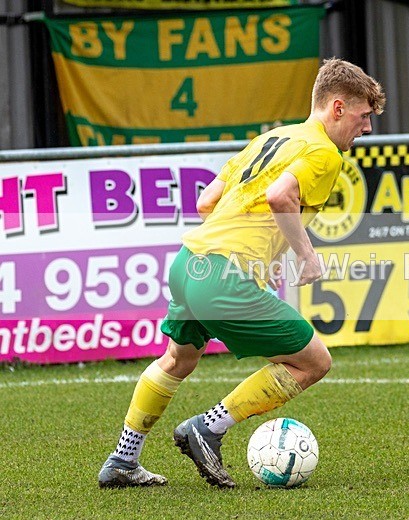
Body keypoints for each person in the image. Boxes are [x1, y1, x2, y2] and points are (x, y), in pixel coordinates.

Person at [98, 58, 385, 488]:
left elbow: (207, 202)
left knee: (178, 359)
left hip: (188, 262)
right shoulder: (323, 151)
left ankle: (122, 460)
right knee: (313, 362)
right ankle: (208, 428)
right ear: (338, 108)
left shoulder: (270, 138)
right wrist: (305, 256)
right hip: (221, 274)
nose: (366, 129)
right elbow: (280, 196)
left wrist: (253, 255)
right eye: (364, 117)